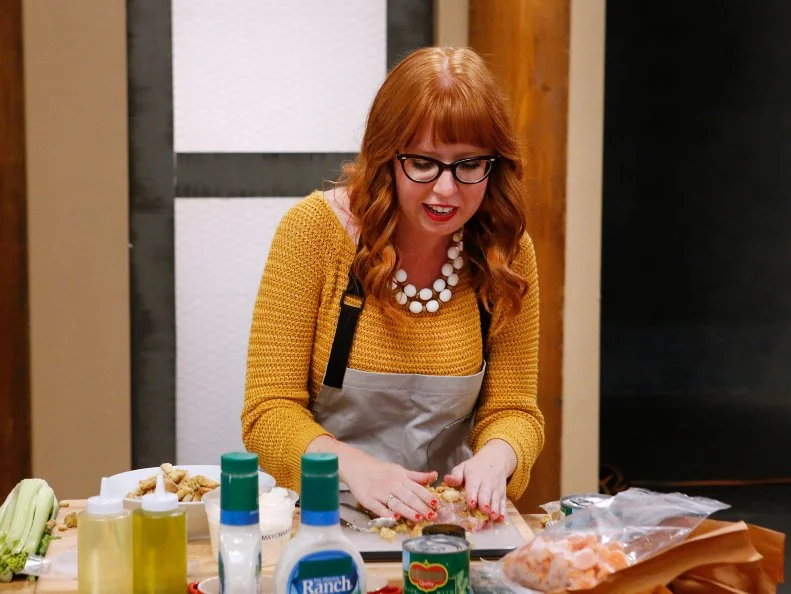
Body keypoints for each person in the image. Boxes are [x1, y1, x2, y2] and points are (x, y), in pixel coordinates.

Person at [242, 46, 544, 525]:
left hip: (451, 523)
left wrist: (497, 458)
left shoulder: (505, 250)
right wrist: (359, 470)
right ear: (386, 157)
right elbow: (268, 411)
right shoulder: (314, 234)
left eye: (468, 165)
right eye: (423, 162)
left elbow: (515, 409)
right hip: (325, 517)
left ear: (495, 164)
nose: (446, 189)